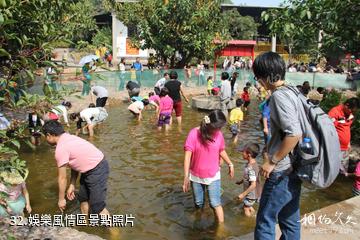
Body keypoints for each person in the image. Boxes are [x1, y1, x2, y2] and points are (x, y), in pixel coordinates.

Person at [253, 51, 303, 240]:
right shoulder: (293, 91)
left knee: (265, 220)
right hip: (295, 167)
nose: (258, 81)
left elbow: (294, 133)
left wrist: (272, 161)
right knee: (290, 220)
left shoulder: (278, 97)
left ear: (266, 76)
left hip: (281, 170)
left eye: (258, 77)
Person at [42, 120, 110, 216]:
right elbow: (76, 162)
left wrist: (61, 200)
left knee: (97, 207)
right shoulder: (69, 137)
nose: (46, 139)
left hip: (97, 168)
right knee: (83, 199)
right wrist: (72, 184)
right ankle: (86, 225)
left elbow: (62, 178)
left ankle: (114, 230)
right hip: (89, 168)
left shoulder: (61, 148)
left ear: (49, 135)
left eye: (45, 136)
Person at [182, 110, 234, 223]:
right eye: (218, 127)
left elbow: (221, 150)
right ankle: (199, 217)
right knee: (198, 203)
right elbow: (187, 156)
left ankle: (221, 229)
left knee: (215, 203)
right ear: (211, 125)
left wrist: (230, 163)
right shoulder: (194, 133)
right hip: (196, 176)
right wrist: (186, 176)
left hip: (213, 175)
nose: (220, 130)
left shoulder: (218, 134)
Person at [328, 98, 360, 175]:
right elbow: (327, 128)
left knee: (343, 172)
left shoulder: (350, 115)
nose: (352, 113)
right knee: (332, 170)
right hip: (335, 147)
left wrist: (348, 143)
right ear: (347, 105)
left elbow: (347, 128)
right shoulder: (335, 112)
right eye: (351, 110)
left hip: (345, 148)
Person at [236, 143, 261, 217]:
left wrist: (243, 194)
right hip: (254, 193)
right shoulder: (251, 164)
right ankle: (254, 215)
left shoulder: (251, 168)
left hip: (251, 194)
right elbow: (249, 177)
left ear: (249, 154)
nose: (241, 153)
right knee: (248, 205)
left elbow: (253, 185)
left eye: (243, 152)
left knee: (245, 208)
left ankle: (248, 221)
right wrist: (241, 181)